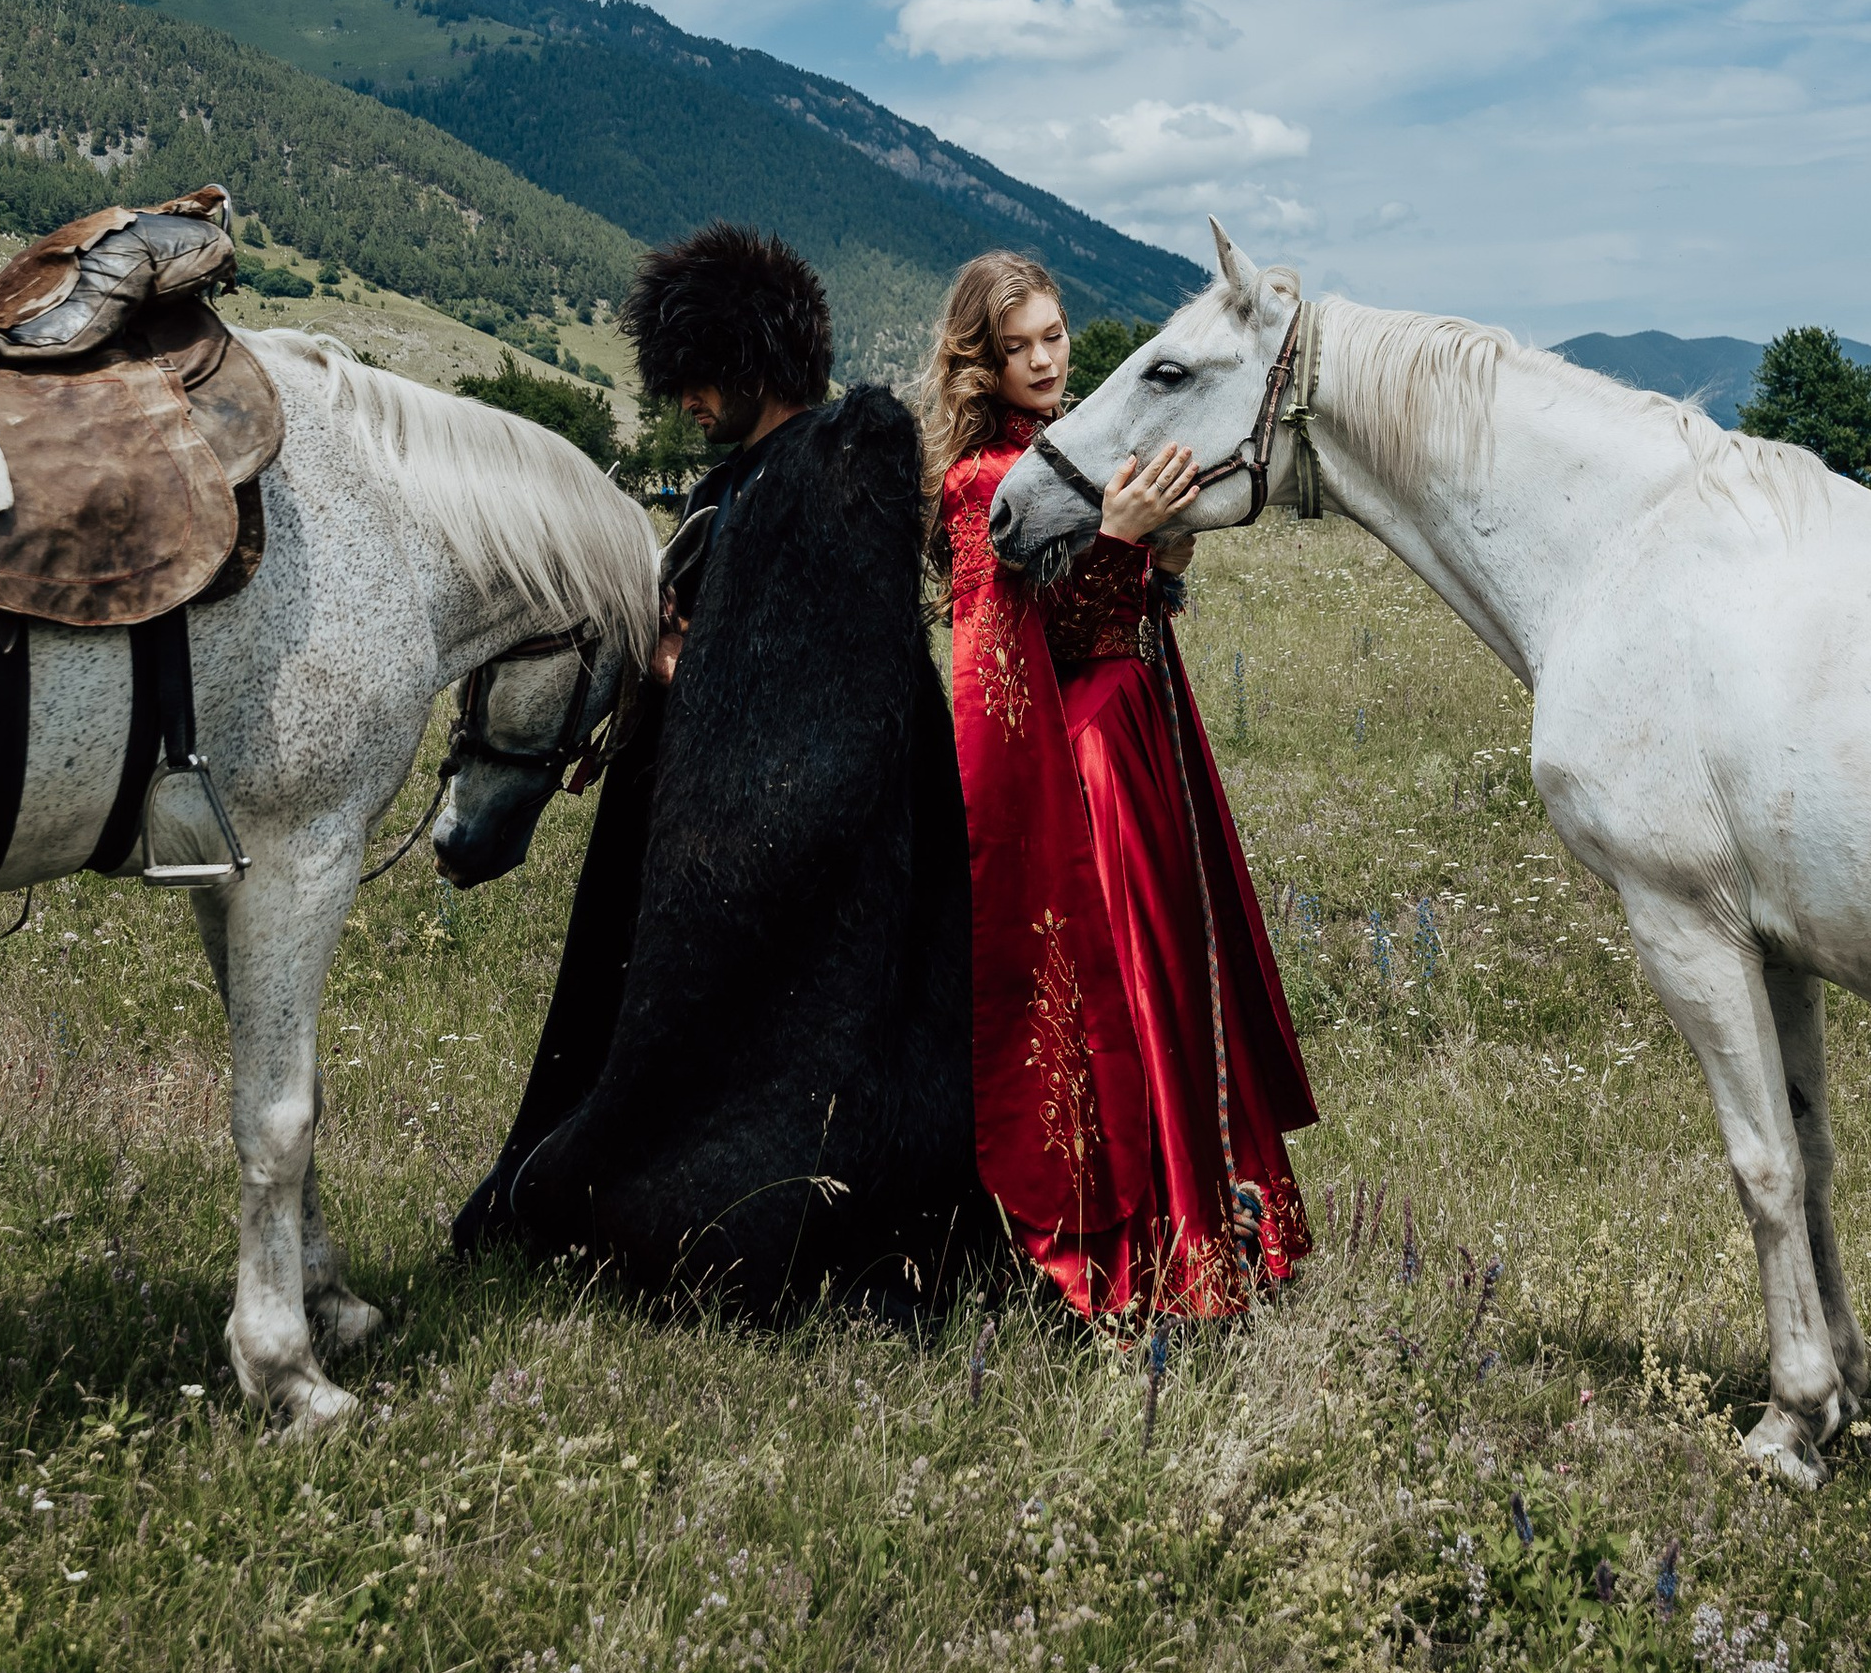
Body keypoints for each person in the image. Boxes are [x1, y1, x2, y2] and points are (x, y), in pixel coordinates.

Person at [455, 222, 980, 1315]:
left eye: (698, 377)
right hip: (707, 814)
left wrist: (688, 663)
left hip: (799, 842)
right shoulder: (735, 481)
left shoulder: (838, 466)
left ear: (749, 359)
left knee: (765, 1071)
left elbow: (833, 677)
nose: (684, 400)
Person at [927, 250, 1314, 1322]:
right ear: (981, 360)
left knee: (1186, 971)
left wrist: (1165, 552)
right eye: (1018, 348)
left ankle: (1225, 1215)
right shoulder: (978, 483)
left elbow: (1140, 593)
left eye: (1054, 336)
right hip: (1078, 749)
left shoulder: (1083, 442)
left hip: (1148, 724)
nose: (1045, 360)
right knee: (1126, 978)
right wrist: (1120, 541)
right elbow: (1003, 643)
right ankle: (1154, 1241)